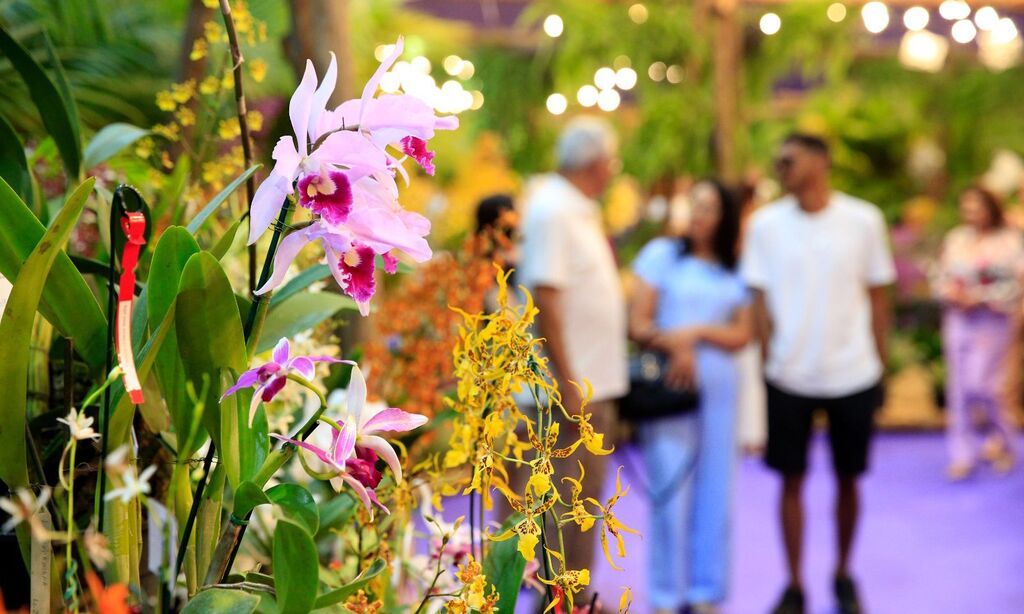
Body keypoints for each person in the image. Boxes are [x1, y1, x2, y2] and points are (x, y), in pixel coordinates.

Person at [740, 134, 895, 614]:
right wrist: (769, 362)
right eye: (777, 158)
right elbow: (758, 300)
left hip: (854, 372)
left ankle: (843, 573)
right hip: (788, 375)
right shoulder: (765, 224)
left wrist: (880, 365)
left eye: (790, 158)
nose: (779, 165)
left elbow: (879, 296)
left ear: (821, 161)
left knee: (849, 480)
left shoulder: (863, 219)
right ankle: (794, 584)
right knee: (791, 480)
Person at [629, 180, 752, 614]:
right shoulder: (663, 256)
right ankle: (665, 594)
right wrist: (674, 345)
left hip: (719, 385)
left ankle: (706, 592)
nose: (699, 214)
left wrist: (697, 333)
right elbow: (638, 323)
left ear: (726, 216)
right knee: (669, 488)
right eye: (694, 205)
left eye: (710, 206)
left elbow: (742, 333)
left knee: (717, 488)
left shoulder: (735, 266)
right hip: (671, 386)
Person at [517, 117, 628, 585]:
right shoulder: (553, 209)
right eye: (612, 161)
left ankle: (571, 598)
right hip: (570, 392)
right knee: (568, 508)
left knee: (580, 505)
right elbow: (546, 296)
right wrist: (566, 378)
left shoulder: (575, 208)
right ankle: (565, 600)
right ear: (597, 162)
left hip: (587, 384)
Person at [934, 186, 1022, 480]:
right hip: (959, 319)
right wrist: (951, 294)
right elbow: (940, 276)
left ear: (990, 208)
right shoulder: (956, 239)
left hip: (992, 321)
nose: (971, 214)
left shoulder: (1008, 242)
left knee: (983, 387)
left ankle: (1005, 441)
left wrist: (982, 297)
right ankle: (962, 454)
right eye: (966, 207)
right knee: (958, 389)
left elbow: (1016, 284)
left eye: (977, 207)